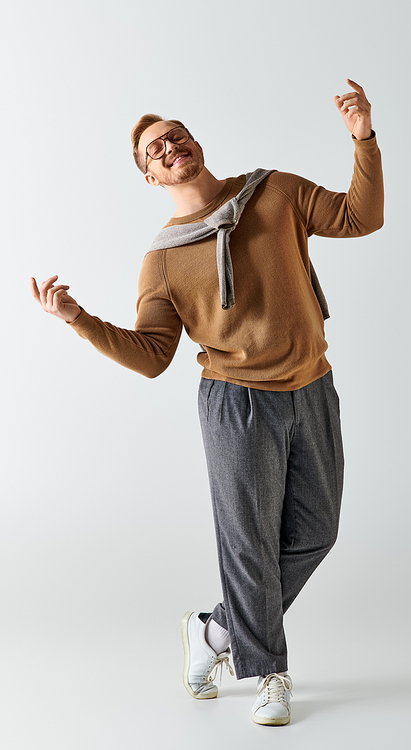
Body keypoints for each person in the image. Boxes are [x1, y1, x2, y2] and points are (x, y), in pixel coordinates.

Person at [31, 78, 384, 726]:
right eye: (154, 150)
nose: (169, 148)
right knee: (249, 546)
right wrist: (79, 318)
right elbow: (152, 355)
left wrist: (363, 138)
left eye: (175, 136)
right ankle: (267, 671)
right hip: (236, 404)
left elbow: (360, 217)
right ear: (149, 176)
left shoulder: (274, 191)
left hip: (312, 387)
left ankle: (215, 632)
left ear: (195, 143)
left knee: (316, 532)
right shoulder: (163, 261)